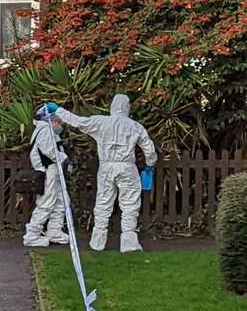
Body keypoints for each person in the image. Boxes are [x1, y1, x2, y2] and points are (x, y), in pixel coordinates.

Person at [55, 94, 157, 252]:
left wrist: (59, 111)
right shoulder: (135, 126)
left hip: (106, 167)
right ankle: (129, 243)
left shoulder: (101, 122)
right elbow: (149, 149)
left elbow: (78, 121)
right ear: (127, 107)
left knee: (103, 202)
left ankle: (97, 242)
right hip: (127, 167)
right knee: (130, 204)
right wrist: (150, 166)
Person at [23, 103, 70, 248]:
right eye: (59, 122)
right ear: (51, 120)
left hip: (54, 171)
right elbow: (49, 151)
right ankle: (32, 235)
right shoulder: (44, 131)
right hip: (48, 171)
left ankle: (54, 231)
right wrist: (63, 158)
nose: (61, 125)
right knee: (46, 203)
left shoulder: (49, 131)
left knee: (62, 202)